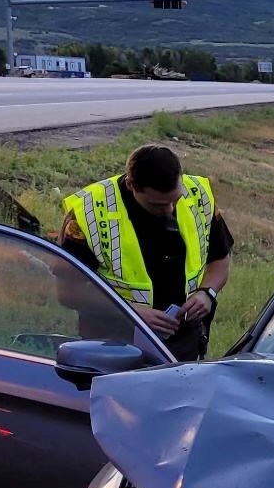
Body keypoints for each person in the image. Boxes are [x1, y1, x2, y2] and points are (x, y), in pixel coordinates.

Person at [59, 144, 232, 362]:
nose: (169, 210)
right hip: (112, 345)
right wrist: (129, 313)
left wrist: (207, 293)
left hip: (182, 344)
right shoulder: (90, 212)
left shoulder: (198, 196)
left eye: (175, 200)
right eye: (157, 204)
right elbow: (67, 292)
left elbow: (220, 260)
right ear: (131, 185)